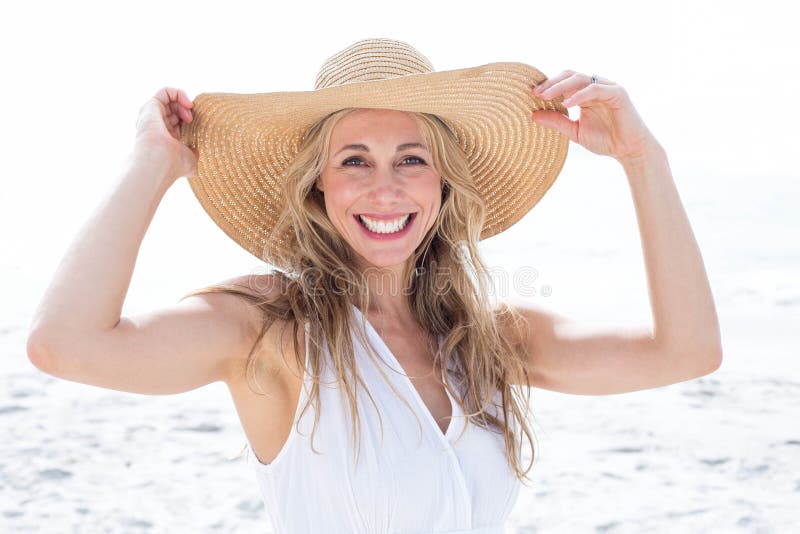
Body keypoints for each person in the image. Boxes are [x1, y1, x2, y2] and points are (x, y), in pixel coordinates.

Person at [26, 38, 722, 533]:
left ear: (442, 185)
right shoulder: (270, 327)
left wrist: (642, 159)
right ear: (318, 186)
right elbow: (66, 344)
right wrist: (152, 163)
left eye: (410, 159)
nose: (385, 188)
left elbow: (686, 352)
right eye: (354, 160)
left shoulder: (491, 340)